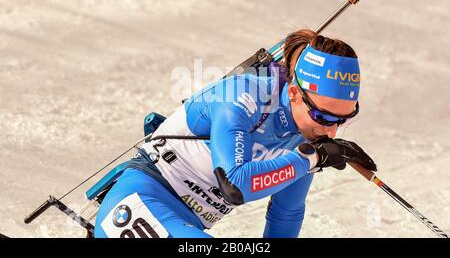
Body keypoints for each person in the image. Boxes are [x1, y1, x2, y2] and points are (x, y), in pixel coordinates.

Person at [94, 29, 377, 238]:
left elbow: (285, 214)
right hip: (140, 198)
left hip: (186, 226)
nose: (331, 130)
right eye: (322, 116)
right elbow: (236, 184)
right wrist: (311, 159)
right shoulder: (241, 95)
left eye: (343, 119)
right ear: (293, 93)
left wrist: (311, 156)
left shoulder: (309, 141)